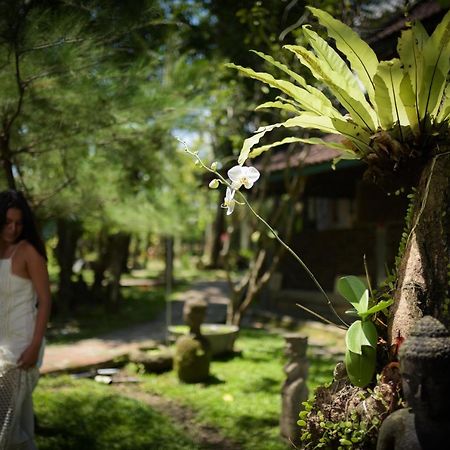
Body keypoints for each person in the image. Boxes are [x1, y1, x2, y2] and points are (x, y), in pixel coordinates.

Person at [0, 189, 51, 449]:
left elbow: (45, 301)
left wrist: (34, 346)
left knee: (8, 429)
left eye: (19, 223)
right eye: (7, 222)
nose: (13, 228)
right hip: (0, 343)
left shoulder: (29, 252)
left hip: (21, 347)